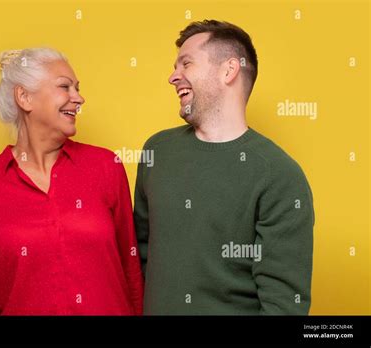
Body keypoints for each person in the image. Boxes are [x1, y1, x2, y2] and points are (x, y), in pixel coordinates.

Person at [134, 20, 314, 315]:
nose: (172, 77)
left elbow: (283, 306)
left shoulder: (279, 175)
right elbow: (140, 254)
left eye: (186, 64)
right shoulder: (158, 152)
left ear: (229, 70)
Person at [0, 48, 143, 315]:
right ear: (24, 97)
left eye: (77, 88)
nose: (79, 98)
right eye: (65, 87)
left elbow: (131, 272)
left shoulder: (104, 167)